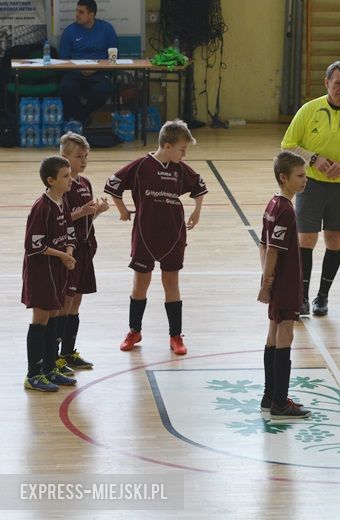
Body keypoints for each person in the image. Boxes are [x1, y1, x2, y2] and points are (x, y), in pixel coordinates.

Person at [104, 119, 207, 356]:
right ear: (167, 146)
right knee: (141, 283)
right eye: (182, 149)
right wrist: (122, 208)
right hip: (145, 234)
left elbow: (200, 187)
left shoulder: (180, 169)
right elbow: (113, 184)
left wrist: (197, 211)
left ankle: (175, 336)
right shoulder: (141, 166)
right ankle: (134, 331)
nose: (184, 154)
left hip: (173, 234)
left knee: (171, 283)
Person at [281, 60, 340, 317]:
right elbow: (288, 144)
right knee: (306, 240)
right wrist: (313, 159)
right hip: (310, 185)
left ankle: (322, 297)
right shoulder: (309, 110)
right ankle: (301, 297)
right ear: (326, 83)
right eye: (338, 83)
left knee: (334, 241)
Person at [257, 151, 312, 420]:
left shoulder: (272, 204)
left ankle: (270, 397)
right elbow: (273, 250)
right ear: (283, 178)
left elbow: (262, 245)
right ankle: (280, 402)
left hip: (278, 280)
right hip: (286, 282)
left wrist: (266, 278)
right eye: (299, 176)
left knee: (272, 333)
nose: (305, 180)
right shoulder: (286, 210)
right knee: (285, 335)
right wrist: (267, 284)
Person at [55, 132, 109, 375]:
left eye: (86, 156)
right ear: (64, 157)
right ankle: (54, 356)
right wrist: (81, 212)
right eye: (78, 156)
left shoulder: (85, 183)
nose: (84, 161)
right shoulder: (61, 185)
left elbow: (86, 218)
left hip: (86, 248)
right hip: (69, 248)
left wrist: (98, 211)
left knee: (76, 301)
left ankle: (68, 352)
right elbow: (59, 219)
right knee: (65, 301)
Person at [22, 157, 78, 391]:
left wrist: (69, 253)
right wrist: (62, 255)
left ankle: (50, 368)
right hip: (41, 271)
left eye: (70, 175)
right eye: (66, 176)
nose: (71, 179)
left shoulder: (63, 202)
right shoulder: (41, 207)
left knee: (55, 315)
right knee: (41, 319)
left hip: (58, 269)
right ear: (51, 180)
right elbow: (34, 245)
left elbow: (70, 232)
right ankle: (33, 374)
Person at [58, 0, 118, 125]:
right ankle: (83, 117)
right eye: (76, 11)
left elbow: (113, 56)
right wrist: (79, 69)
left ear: (91, 14)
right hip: (75, 72)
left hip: (99, 72)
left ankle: (81, 115)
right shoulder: (69, 31)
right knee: (65, 87)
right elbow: (64, 58)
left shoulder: (107, 29)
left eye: (81, 12)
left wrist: (97, 68)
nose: (77, 14)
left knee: (104, 90)